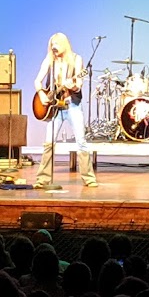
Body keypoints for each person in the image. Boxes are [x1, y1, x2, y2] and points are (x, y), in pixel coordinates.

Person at [33, 32, 97, 188]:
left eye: (57, 44)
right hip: (55, 108)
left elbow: (79, 83)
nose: (54, 47)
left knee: (81, 141)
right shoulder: (50, 60)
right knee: (49, 142)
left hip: (72, 105)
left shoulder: (76, 59)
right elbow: (37, 81)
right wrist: (41, 94)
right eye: (52, 44)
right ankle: (42, 179)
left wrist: (73, 85)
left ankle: (89, 178)